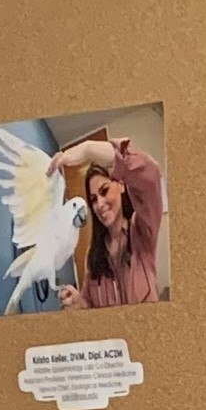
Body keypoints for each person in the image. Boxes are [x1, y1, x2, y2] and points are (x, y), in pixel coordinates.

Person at [51, 131, 166, 309]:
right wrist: (79, 302)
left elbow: (150, 174)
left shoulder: (142, 231)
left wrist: (89, 149)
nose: (100, 204)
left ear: (120, 184)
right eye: (93, 199)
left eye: (104, 191)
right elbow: (89, 304)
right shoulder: (93, 254)